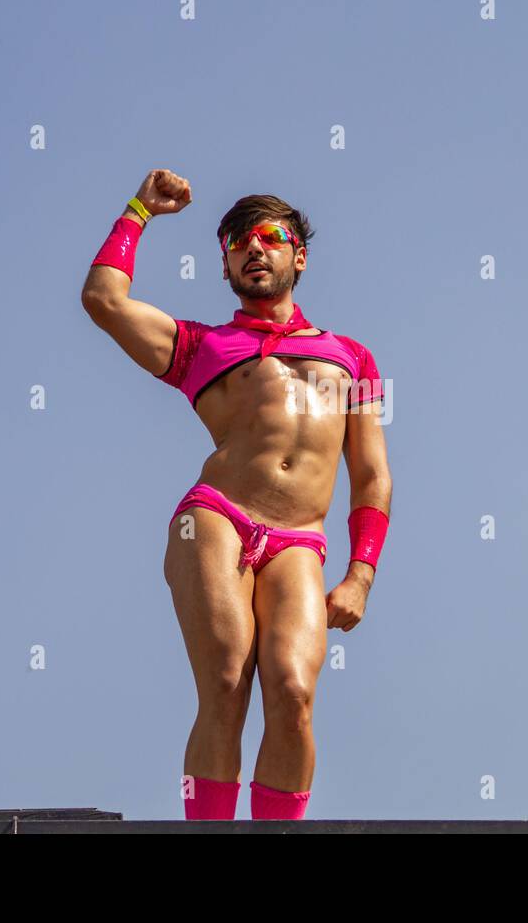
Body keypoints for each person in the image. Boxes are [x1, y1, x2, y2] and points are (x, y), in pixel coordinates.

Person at [81, 169, 392, 820]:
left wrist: (360, 573)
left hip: (300, 540)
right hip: (217, 516)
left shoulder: (353, 358)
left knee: (292, 691)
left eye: (271, 236)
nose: (255, 248)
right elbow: (104, 301)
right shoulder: (201, 345)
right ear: (224, 264)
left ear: (297, 256)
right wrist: (139, 211)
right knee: (226, 680)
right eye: (237, 242)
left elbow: (372, 477)